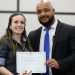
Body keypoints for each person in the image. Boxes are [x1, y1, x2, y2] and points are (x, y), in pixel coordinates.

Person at [28, 0, 75, 75]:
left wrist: (60, 64)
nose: (43, 14)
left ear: (53, 11)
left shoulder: (70, 30)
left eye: (46, 10)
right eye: (39, 12)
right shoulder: (32, 35)